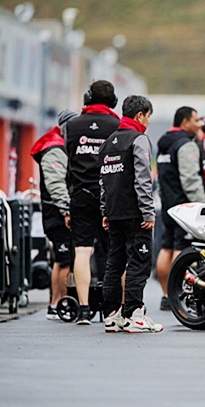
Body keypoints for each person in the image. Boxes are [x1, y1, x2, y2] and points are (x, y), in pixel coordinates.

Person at [99, 95, 162, 333]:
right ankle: (135, 315)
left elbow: (103, 182)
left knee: (114, 264)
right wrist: (148, 213)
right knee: (139, 263)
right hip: (136, 215)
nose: (148, 122)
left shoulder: (109, 142)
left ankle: (111, 316)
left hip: (114, 213)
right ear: (139, 115)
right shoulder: (139, 139)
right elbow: (143, 180)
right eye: (148, 116)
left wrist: (105, 211)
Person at [64, 80, 120, 324]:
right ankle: (113, 308)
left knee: (82, 251)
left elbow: (67, 159)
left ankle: (84, 308)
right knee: (113, 252)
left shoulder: (72, 125)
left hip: (81, 195)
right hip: (110, 197)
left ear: (88, 98)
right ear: (113, 101)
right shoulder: (117, 125)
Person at [156, 106, 205, 310]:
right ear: (185, 122)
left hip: (167, 205)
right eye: (196, 120)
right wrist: (204, 206)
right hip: (185, 208)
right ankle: (176, 293)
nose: (199, 124)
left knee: (166, 248)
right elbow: (190, 180)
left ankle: (165, 295)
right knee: (181, 250)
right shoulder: (185, 145)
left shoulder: (164, 143)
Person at [30, 110, 77, 320]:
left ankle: (57, 303)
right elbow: (56, 184)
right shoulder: (55, 149)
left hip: (57, 211)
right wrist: (66, 210)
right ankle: (58, 304)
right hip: (56, 213)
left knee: (63, 259)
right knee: (64, 260)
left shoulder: (58, 146)